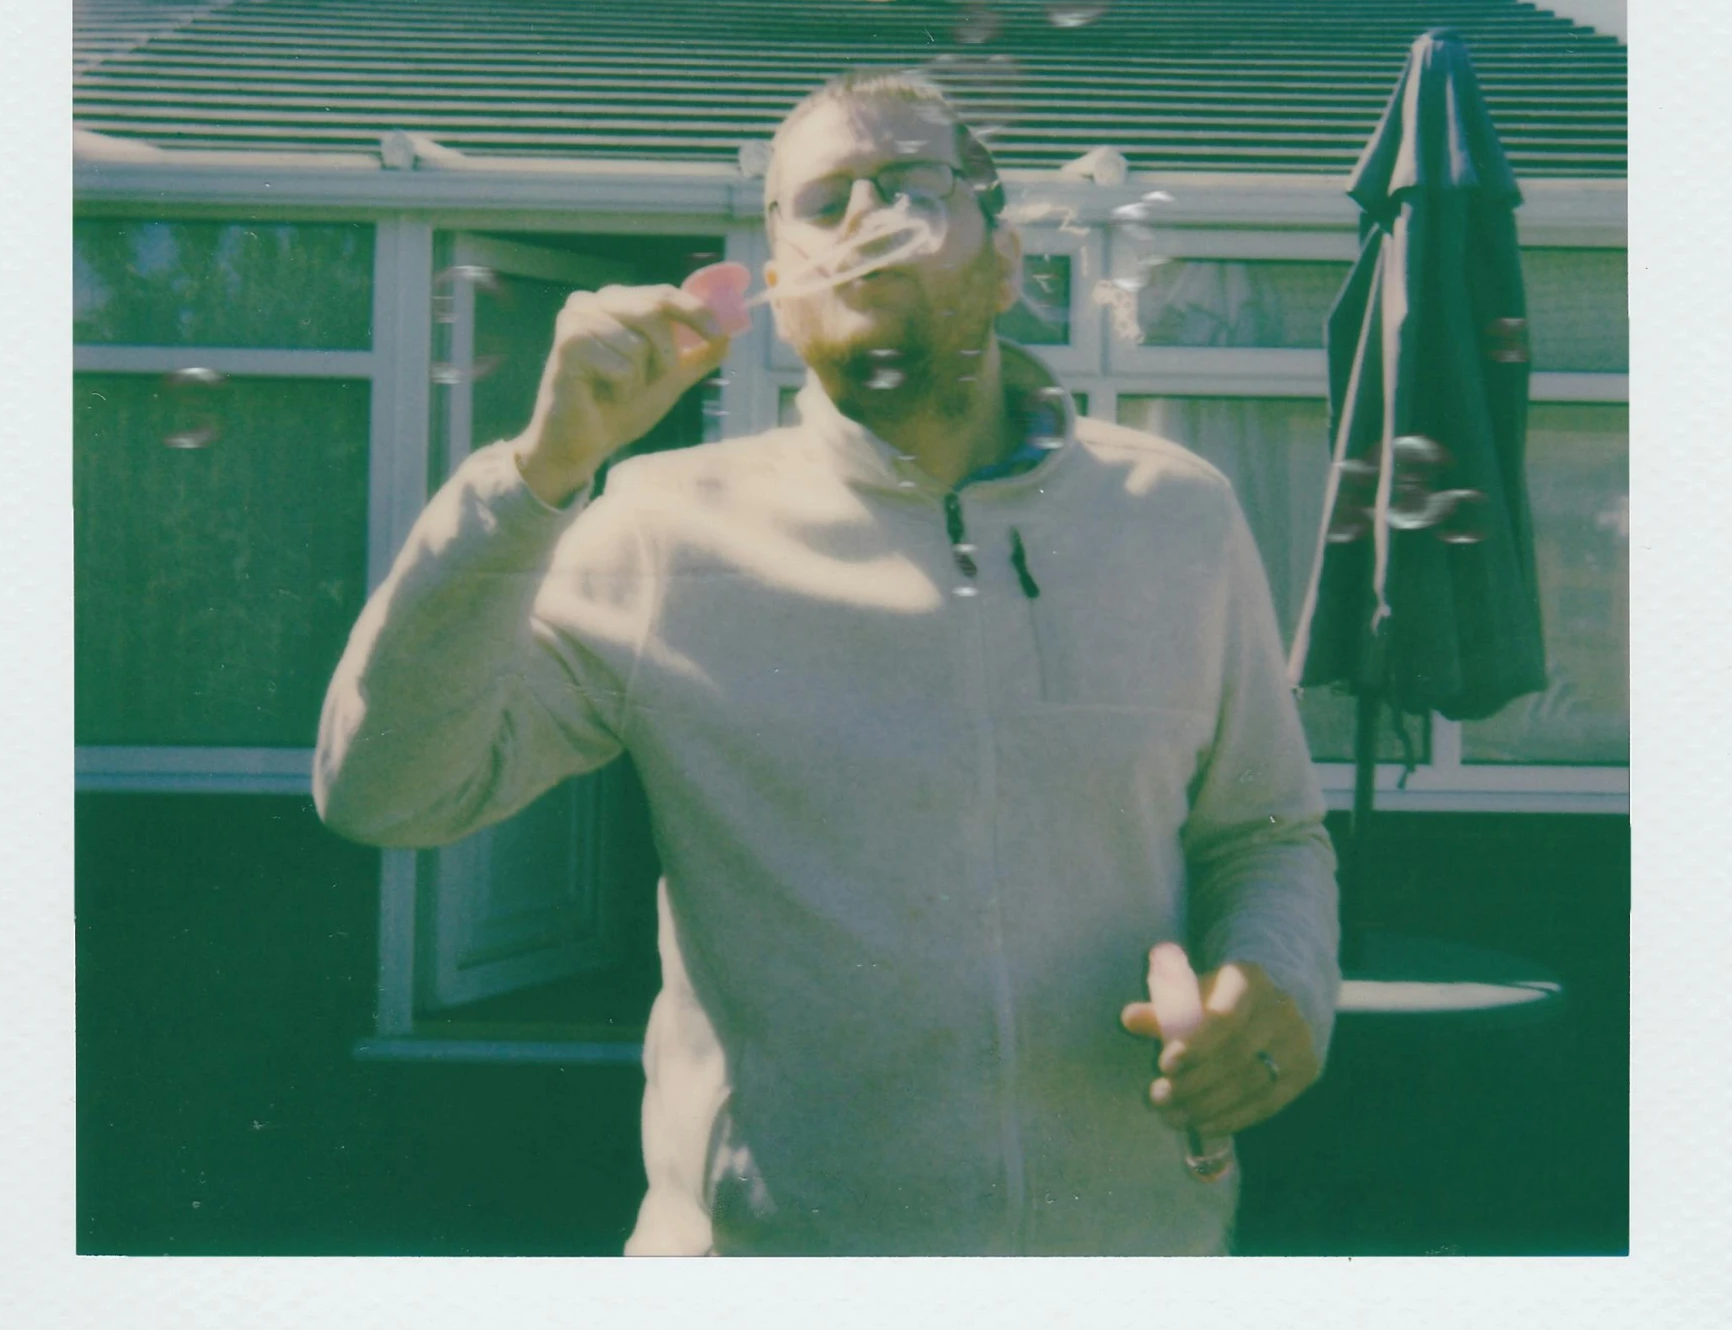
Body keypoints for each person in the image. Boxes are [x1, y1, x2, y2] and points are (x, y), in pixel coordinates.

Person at [314, 70, 1340, 1255]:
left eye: (908, 183)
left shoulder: (1175, 513)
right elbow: (387, 789)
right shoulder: (662, 528)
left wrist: (1277, 981)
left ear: (1006, 265)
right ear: (780, 297)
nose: (864, 217)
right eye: (823, 200)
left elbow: (1265, 832)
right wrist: (536, 475)